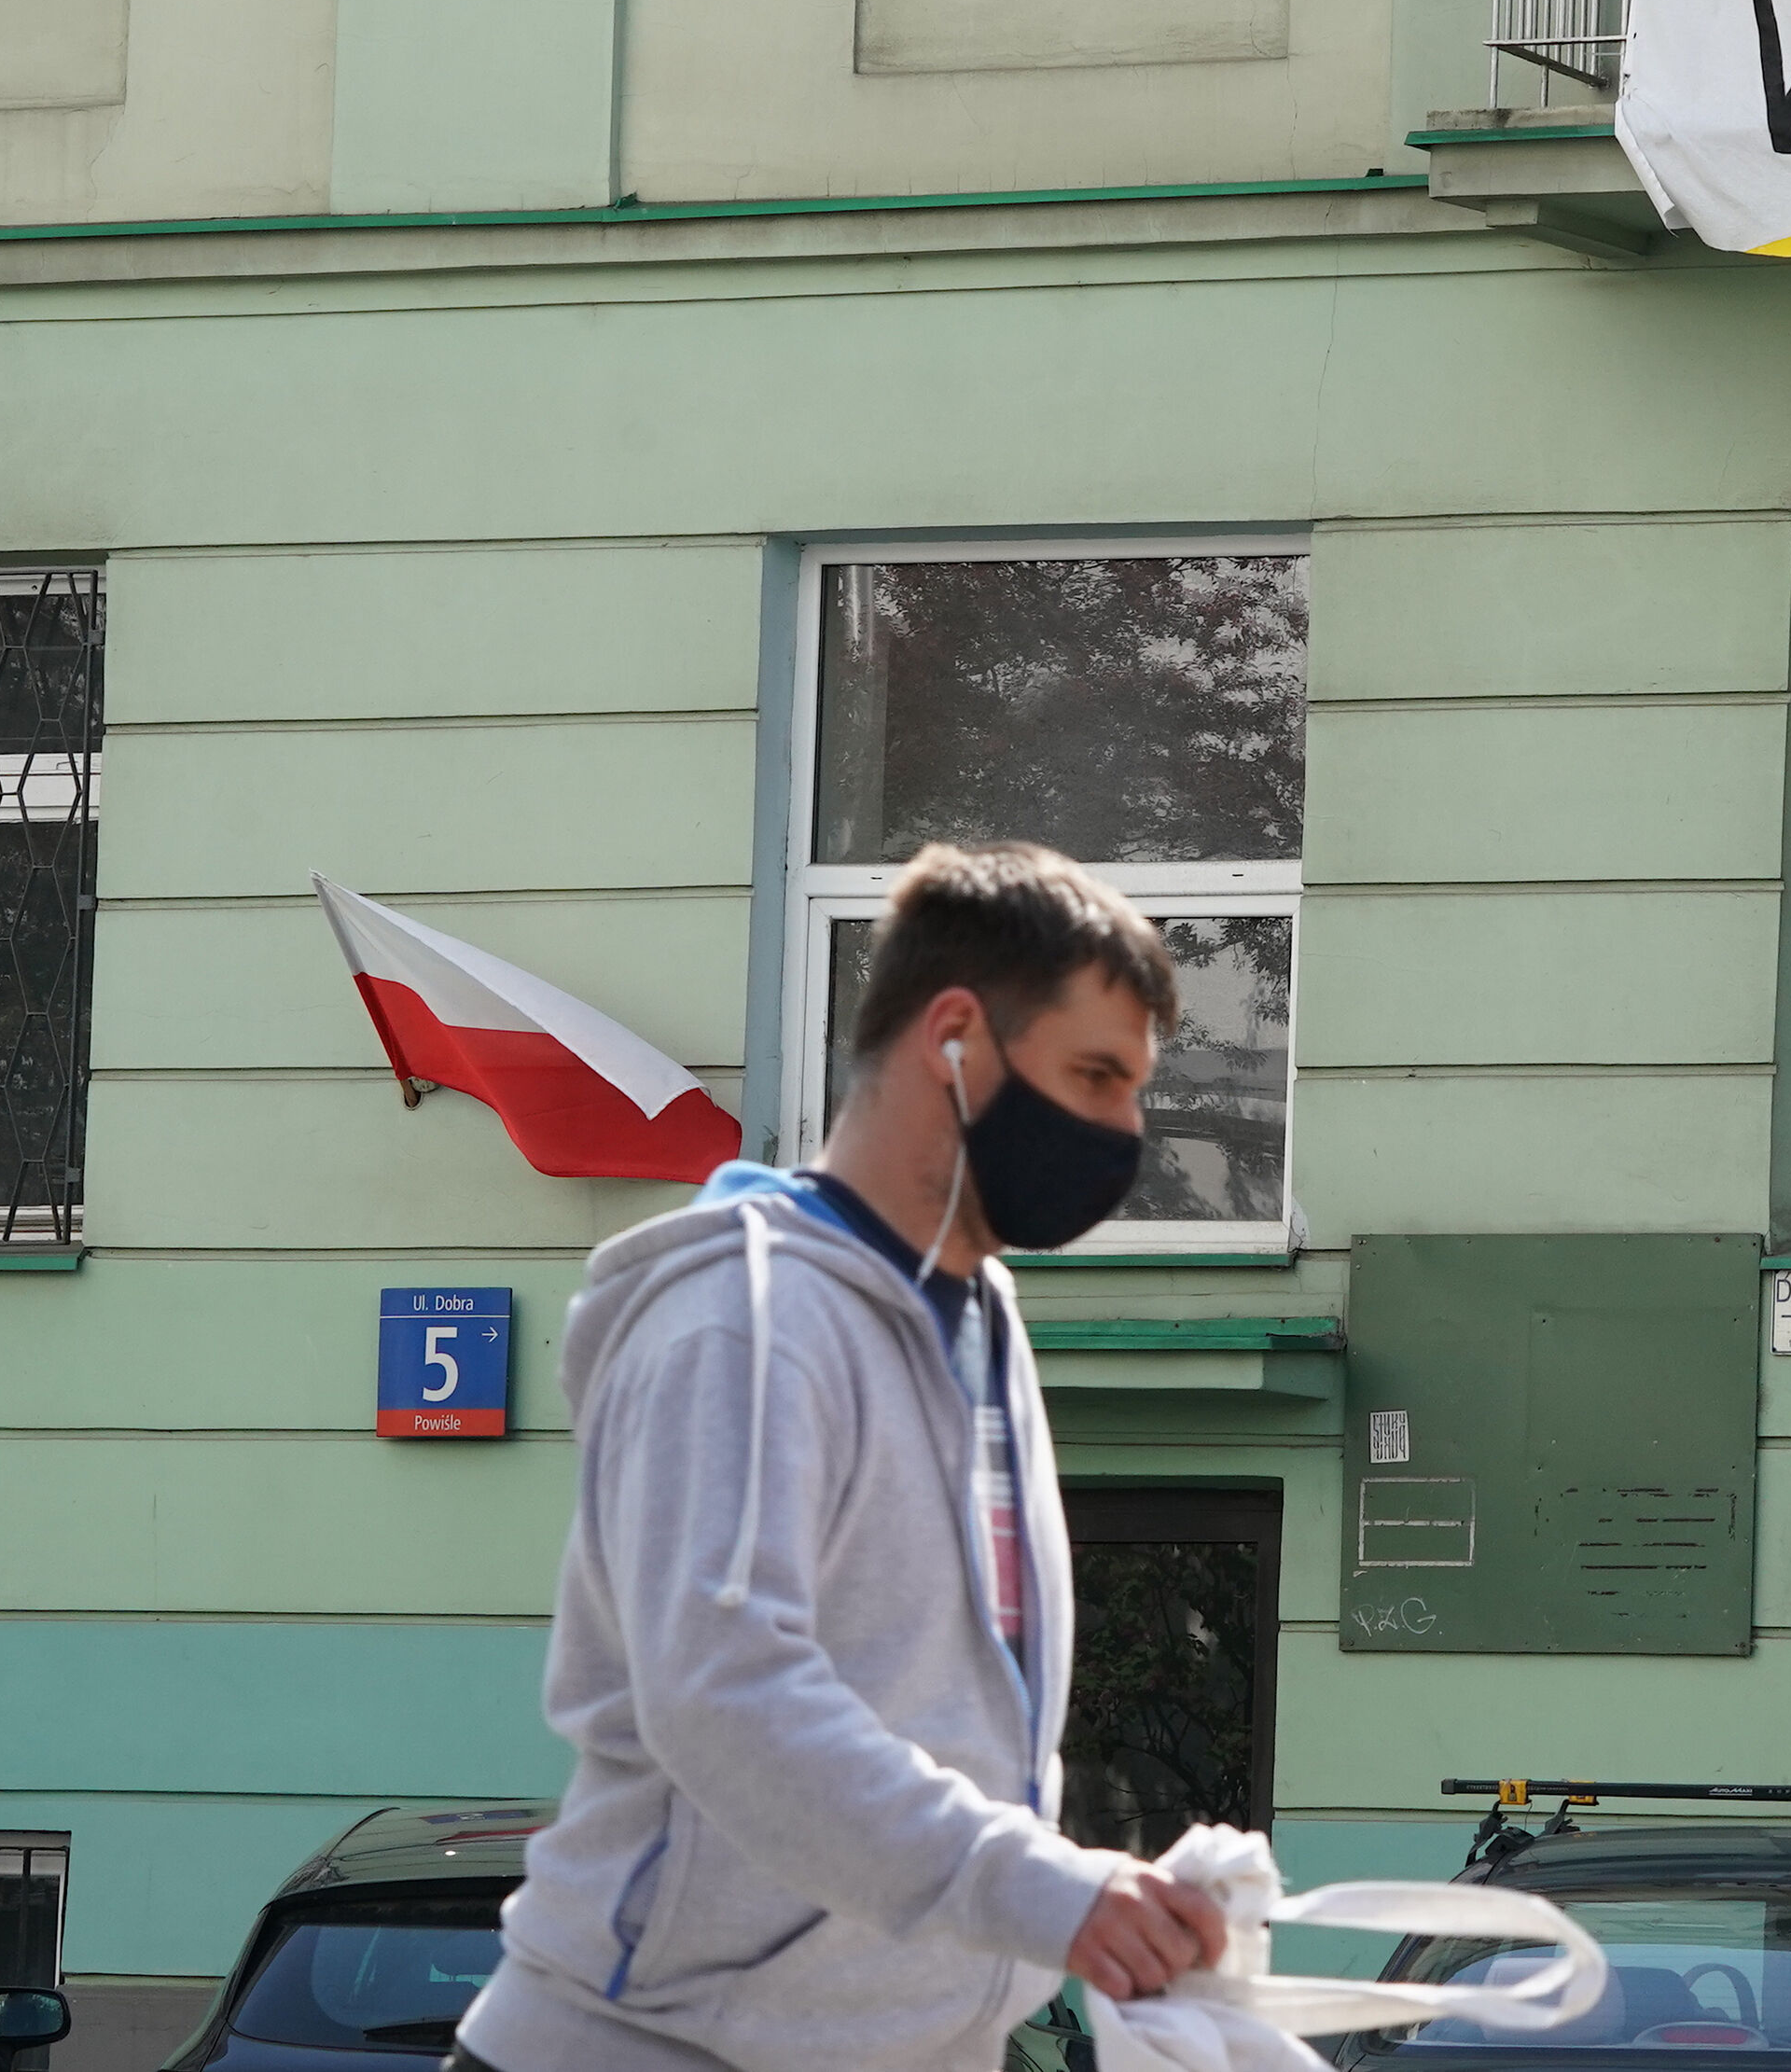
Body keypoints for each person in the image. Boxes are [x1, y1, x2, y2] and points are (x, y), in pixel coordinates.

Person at [454, 842, 1230, 2072]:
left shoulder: (981, 1320)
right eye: (1094, 1074)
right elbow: (726, 1689)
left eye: (1135, 1089)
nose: (1125, 1132)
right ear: (954, 1036)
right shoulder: (740, 1314)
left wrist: (1077, 1907)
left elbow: (944, 1730)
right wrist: (1044, 1893)